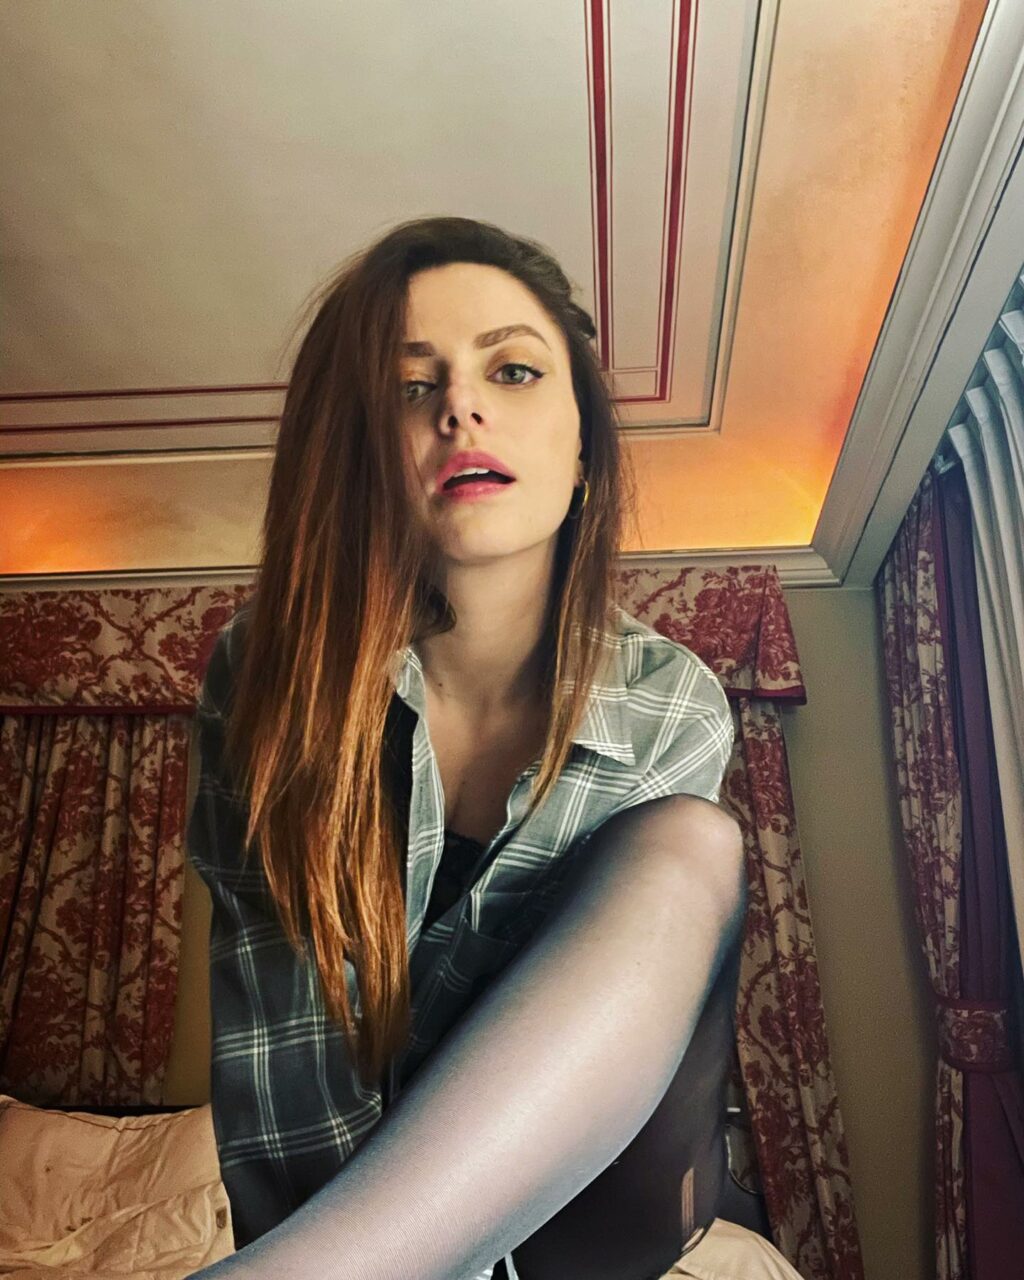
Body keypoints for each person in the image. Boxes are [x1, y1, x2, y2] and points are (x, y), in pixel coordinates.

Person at [186, 215, 746, 1280]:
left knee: (690, 843)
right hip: (341, 1213)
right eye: (410, 387)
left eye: (514, 371)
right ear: (360, 455)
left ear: (583, 446)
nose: (460, 408)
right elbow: (267, 1010)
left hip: (592, 1209)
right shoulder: (262, 669)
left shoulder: (668, 698)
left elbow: (625, 1019)